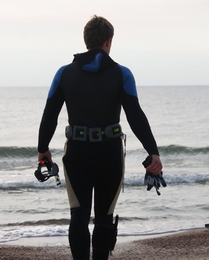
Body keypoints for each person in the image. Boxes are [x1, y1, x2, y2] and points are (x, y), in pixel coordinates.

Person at [37, 15, 163, 260]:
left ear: (86, 41)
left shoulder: (63, 74)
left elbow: (50, 114)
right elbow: (135, 116)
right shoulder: (122, 74)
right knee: (104, 217)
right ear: (109, 41)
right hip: (109, 154)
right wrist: (153, 151)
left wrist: (43, 148)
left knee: (79, 216)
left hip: (77, 153)